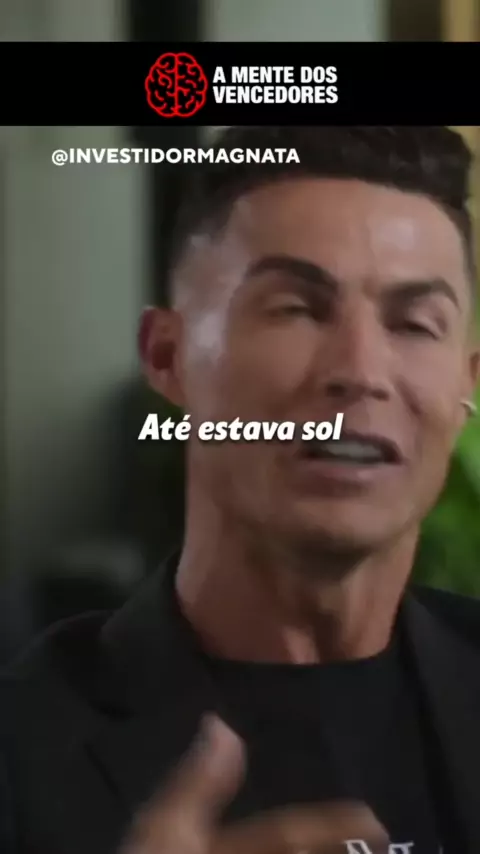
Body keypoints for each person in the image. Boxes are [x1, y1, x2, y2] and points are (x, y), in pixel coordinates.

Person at [1, 126, 479, 854]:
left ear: (465, 387)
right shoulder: (22, 752)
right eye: (296, 309)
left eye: (415, 324)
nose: (361, 371)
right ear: (167, 356)